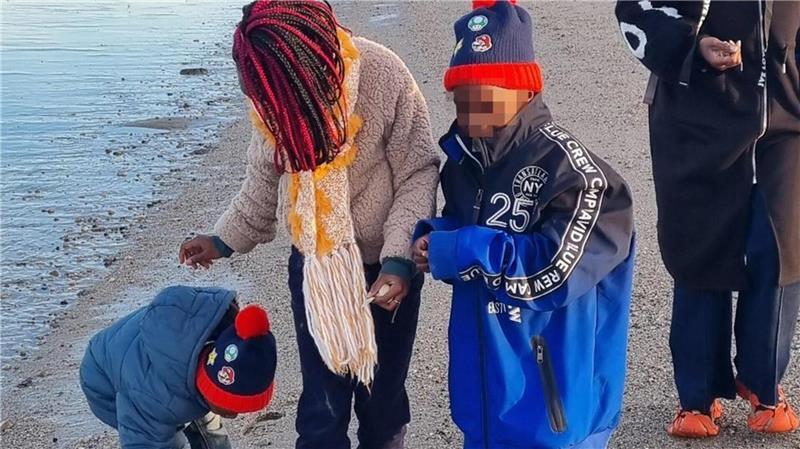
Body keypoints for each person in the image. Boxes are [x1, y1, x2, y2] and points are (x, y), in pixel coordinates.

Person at [178, 1, 440, 448]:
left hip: (385, 271)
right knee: (322, 406)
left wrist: (400, 259)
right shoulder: (274, 98)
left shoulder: (383, 74)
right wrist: (223, 238)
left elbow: (419, 171)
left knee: (382, 402)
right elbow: (262, 176)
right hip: (316, 271)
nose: (267, 108)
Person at [411, 1, 636, 448]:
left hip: (557, 413)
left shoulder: (583, 178)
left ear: (523, 90)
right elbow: (467, 227)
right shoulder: (464, 162)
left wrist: (458, 249)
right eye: (460, 97)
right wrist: (436, 235)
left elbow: (553, 275)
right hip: (486, 403)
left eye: (483, 95)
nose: (469, 111)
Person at [615, 0, 800, 438]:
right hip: (696, 116)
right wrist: (694, 46)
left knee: (780, 247)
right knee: (700, 247)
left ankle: (764, 383)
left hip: (787, 115)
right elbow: (632, 10)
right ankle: (696, 397)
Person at [79, 286, 276, 449]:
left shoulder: (222, 346)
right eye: (232, 406)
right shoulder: (154, 401)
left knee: (209, 429)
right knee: (166, 440)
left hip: (173, 369)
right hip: (103, 382)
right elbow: (141, 441)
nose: (235, 415)